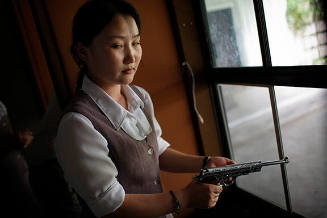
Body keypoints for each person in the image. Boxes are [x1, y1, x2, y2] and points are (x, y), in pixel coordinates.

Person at [54, 0, 236, 217]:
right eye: (117, 45)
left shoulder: (139, 96)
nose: (132, 56)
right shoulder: (77, 124)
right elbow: (112, 205)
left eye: (136, 42)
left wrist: (206, 163)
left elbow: (154, 149)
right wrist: (185, 197)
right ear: (83, 52)